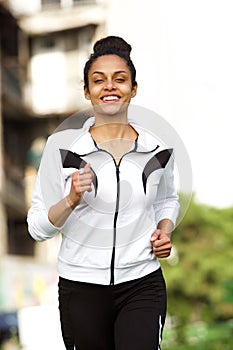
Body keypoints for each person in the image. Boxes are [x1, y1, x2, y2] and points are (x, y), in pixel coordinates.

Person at [27, 36, 180, 350]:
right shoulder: (62, 149)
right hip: (80, 288)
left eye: (120, 79)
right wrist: (70, 200)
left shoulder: (157, 148)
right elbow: (37, 227)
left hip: (142, 282)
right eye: (99, 80)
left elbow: (168, 200)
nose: (110, 87)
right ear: (87, 91)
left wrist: (164, 231)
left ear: (133, 89)